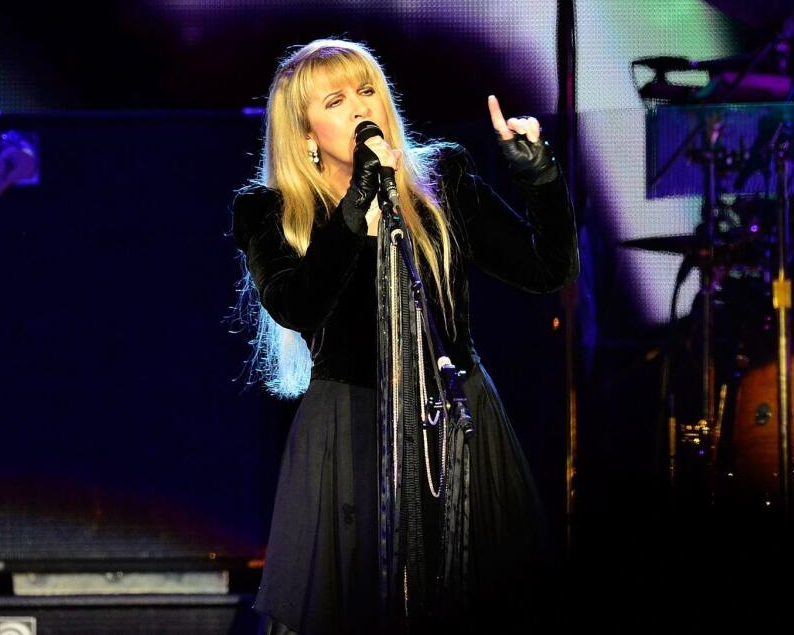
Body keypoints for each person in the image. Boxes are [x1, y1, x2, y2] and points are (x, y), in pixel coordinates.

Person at [232, 39, 578, 633]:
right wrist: (355, 207)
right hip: (352, 430)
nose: (360, 108)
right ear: (305, 132)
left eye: (367, 90)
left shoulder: (441, 177)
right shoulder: (269, 211)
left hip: (454, 417)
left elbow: (548, 269)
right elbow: (297, 305)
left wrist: (538, 175)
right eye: (337, 100)